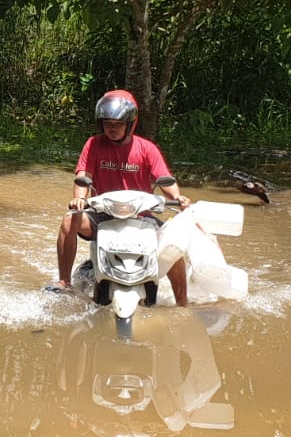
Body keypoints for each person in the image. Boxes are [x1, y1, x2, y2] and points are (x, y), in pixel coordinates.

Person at [52, 89, 192, 304]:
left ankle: (183, 303)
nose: (112, 128)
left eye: (118, 124)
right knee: (69, 219)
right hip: (101, 215)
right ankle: (64, 282)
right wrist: (79, 198)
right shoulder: (93, 144)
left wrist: (178, 197)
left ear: (130, 123)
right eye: (108, 123)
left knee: (172, 246)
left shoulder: (147, 149)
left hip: (141, 216)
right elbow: (83, 176)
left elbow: (165, 178)